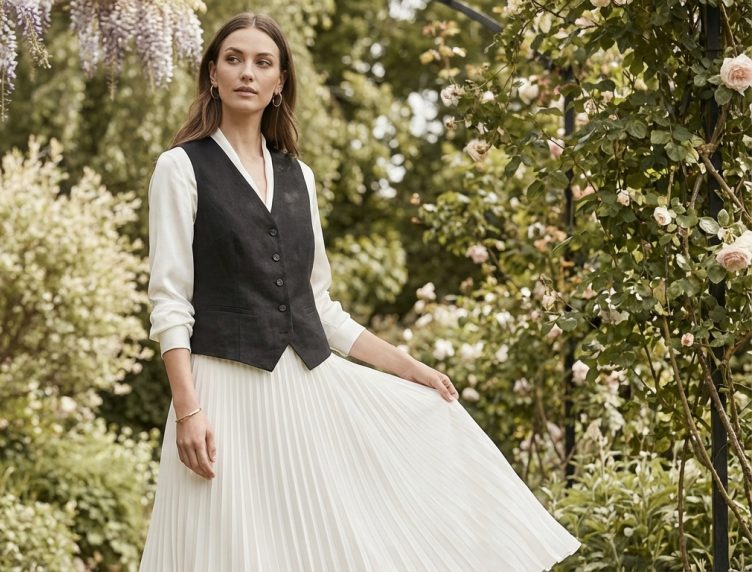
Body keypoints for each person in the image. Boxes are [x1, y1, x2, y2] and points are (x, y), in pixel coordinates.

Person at [139, 11, 582, 571]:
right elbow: (171, 301)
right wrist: (188, 410)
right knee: (228, 549)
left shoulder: (300, 176)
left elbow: (319, 307)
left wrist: (408, 367)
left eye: (262, 62)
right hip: (222, 393)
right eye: (233, 59)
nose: (246, 72)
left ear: (280, 84)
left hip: (303, 392)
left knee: (315, 545)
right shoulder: (179, 168)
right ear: (213, 74)